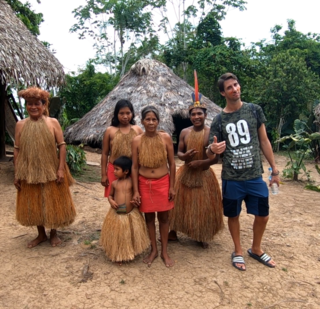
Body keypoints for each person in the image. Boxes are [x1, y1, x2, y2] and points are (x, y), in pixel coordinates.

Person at [207, 73, 279, 271]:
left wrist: (275, 170)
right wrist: (213, 150)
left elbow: (264, 141)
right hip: (232, 178)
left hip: (254, 175)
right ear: (223, 92)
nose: (235, 89)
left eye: (236, 85)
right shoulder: (219, 120)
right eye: (229, 87)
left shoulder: (254, 110)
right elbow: (209, 149)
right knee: (234, 215)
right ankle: (238, 250)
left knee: (263, 215)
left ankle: (256, 249)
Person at [14, 87, 76, 248]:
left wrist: (61, 168)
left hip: (51, 168)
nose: (33, 107)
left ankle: (53, 232)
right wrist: (17, 173)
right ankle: (41, 234)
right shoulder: (20, 125)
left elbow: (62, 146)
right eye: (29, 104)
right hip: (29, 170)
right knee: (34, 201)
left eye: (37, 104)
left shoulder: (52, 122)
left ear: (44, 105)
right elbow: (17, 150)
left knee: (52, 200)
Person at [169, 77, 224, 248]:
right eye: (193, 114)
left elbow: (216, 157)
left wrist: (201, 163)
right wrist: (185, 157)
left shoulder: (211, 133)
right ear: (190, 116)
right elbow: (178, 152)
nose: (196, 116)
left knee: (202, 207)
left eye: (199, 113)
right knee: (179, 204)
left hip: (204, 175)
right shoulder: (184, 132)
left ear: (205, 115)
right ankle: (173, 231)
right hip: (185, 174)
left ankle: (201, 234)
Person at [132, 106, 176, 267]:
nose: (151, 122)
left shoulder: (165, 138)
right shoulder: (137, 140)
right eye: (148, 119)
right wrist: (136, 191)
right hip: (145, 184)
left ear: (158, 121)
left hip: (163, 183)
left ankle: (164, 251)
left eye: (154, 119)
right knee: (149, 218)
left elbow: (172, 163)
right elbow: (135, 167)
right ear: (142, 121)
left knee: (164, 218)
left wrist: (172, 186)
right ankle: (154, 250)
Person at [100, 156, 150, 264]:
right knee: (119, 235)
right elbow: (110, 196)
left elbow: (137, 195)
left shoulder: (132, 182)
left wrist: (135, 201)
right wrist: (111, 201)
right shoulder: (114, 183)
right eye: (114, 169)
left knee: (129, 234)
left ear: (126, 171)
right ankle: (119, 254)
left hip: (131, 214)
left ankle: (130, 251)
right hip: (117, 214)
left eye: (117, 169)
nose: (114, 172)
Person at [101, 99, 143, 197]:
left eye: (128, 113)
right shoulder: (110, 131)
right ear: (116, 114)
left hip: (133, 170)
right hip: (114, 170)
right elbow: (104, 153)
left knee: (132, 196)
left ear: (132, 113)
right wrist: (103, 174)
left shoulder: (137, 129)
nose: (125, 116)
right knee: (116, 197)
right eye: (121, 113)